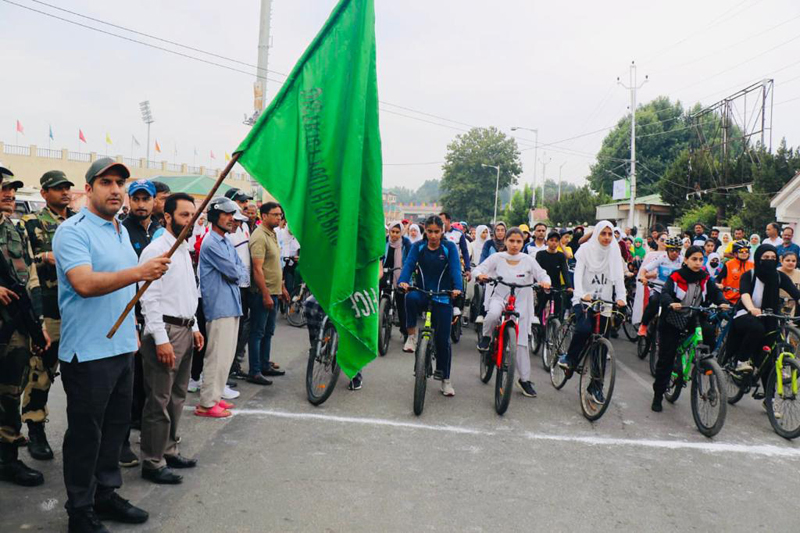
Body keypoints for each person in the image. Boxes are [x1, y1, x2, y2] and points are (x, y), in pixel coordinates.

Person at [53, 158, 170, 531]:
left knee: (116, 430)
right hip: (86, 353)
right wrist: (139, 272)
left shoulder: (119, 229)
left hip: (122, 347)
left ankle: (105, 495)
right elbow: (85, 284)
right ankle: (80, 509)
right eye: (106, 182)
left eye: (120, 182)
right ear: (88, 189)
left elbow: (125, 292)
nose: (116, 189)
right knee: (87, 435)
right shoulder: (73, 232)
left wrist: (132, 333)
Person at [138, 193, 203, 485]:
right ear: (167, 217)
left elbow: (187, 293)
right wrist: (161, 339)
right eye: (184, 215)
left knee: (178, 397)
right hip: (165, 332)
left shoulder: (182, 249)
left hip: (185, 330)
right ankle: (152, 461)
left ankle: (169, 449)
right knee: (159, 399)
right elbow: (149, 300)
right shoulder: (156, 251)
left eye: (193, 215)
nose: (190, 221)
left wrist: (196, 326)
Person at [21, 170, 76, 461]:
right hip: (49, 308)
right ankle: (35, 428)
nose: (65, 193)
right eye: (58, 189)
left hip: (77, 308)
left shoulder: (78, 221)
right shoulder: (31, 223)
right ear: (44, 193)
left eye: (68, 188)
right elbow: (19, 261)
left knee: (77, 372)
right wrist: (44, 257)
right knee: (41, 370)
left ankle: (78, 432)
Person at [0, 173, 49, 488]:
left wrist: (39, 322)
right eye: (3, 189)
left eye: (11, 190)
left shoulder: (14, 230)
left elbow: (31, 275)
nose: (9, 194)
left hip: (15, 327)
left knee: (9, 393)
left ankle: (7, 460)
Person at [474, 227, 551, 398]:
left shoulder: (528, 260)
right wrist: (480, 276)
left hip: (521, 304)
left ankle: (524, 380)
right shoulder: (497, 257)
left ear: (523, 243)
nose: (515, 245)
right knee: (493, 314)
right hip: (500, 298)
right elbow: (478, 269)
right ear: (506, 241)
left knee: (522, 342)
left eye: (518, 242)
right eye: (511, 241)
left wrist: (545, 282)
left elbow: (543, 275)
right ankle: (486, 338)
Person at [651, 246, 729, 412]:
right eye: (694, 259)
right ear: (686, 260)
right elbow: (665, 293)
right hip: (673, 318)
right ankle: (658, 395)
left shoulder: (705, 278)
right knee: (666, 358)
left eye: (701, 259)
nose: (698, 263)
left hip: (694, 317)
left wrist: (722, 302)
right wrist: (670, 303)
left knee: (708, 331)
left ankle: (705, 362)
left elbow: (715, 293)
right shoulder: (676, 276)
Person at [558, 221, 626, 405]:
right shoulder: (586, 250)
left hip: (604, 302)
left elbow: (619, 277)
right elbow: (578, 275)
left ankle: (596, 387)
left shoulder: (614, 251)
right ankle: (570, 358)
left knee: (602, 347)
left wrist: (621, 297)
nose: (606, 237)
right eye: (603, 233)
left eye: (609, 234)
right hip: (584, 299)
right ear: (596, 233)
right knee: (584, 329)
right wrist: (581, 294)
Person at [120, 178, 164, 468]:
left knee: (149, 383)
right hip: (130, 314)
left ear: (153, 201)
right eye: (135, 199)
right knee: (127, 384)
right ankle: (121, 443)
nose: (140, 204)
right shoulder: (121, 230)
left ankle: (146, 435)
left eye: (145, 199)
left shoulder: (159, 232)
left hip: (155, 313)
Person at [398, 216, 462, 396]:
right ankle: (411, 336)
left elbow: (456, 269)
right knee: (409, 297)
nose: (433, 235)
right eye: (430, 231)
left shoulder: (449, 247)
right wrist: (403, 281)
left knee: (443, 341)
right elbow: (409, 265)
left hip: (443, 297)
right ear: (425, 231)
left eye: (437, 231)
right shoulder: (418, 246)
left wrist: (457, 288)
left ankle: (445, 380)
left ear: (442, 231)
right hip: (422, 293)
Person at [196, 197, 248, 417]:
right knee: (216, 356)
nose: (231, 219)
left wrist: (237, 272)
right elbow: (235, 272)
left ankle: (215, 397)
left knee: (225, 355)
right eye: (226, 214)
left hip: (231, 303)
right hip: (219, 306)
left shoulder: (225, 241)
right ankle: (207, 403)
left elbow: (242, 272)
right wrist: (236, 272)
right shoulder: (211, 243)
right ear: (215, 216)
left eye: (232, 215)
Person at [728, 244, 800, 400]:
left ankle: (769, 400)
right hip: (745, 313)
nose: (769, 260)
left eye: (773, 258)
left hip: (769, 316)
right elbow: (744, 294)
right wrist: (752, 308)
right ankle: (742, 360)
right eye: (765, 257)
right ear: (758, 258)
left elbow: (796, 294)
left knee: (771, 355)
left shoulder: (779, 276)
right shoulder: (750, 275)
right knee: (757, 328)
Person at [248, 202, 289, 386]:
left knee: (268, 332)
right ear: (263, 216)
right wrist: (265, 294)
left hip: (274, 290)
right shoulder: (259, 236)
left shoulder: (272, 234)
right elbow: (257, 269)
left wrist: (282, 287)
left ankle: (265, 364)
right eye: (275, 214)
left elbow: (275, 264)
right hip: (262, 293)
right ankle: (254, 371)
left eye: (280, 215)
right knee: (257, 332)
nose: (279, 218)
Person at [638, 236, 683, 336]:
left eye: (677, 250)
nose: (674, 253)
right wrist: (643, 277)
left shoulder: (682, 261)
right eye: (672, 250)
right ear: (667, 250)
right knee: (653, 302)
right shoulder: (661, 258)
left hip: (673, 291)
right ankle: (644, 325)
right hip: (659, 288)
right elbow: (645, 269)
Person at [439, 212, 472, 318]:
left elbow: (465, 251)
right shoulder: (438, 233)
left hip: (455, 265)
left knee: (458, 286)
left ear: (448, 220)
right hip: (439, 265)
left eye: (441, 220)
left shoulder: (458, 234)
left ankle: (456, 306)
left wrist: (467, 268)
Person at [535, 231, 573, 320]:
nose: (554, 243)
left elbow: (565, 272)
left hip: (556, 286)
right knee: (539, 309)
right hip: (543, 285)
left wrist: (569, 286)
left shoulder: (561, 256)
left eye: (556, 241)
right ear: (547, 241)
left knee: (558, 311)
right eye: (551, 240)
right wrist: (538, 284)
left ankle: (556, 330)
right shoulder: (540, 254)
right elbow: (536, 271)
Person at [383, 221, 411, 338]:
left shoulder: (406, 243)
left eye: (397, 232)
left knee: (401, 303)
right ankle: (382, 320)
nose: (394, 235)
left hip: (401, 274)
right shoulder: (384, 241)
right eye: (392, 232)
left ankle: (405, 331)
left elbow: (410, 259)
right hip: (384, 272)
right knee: (382, 296)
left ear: (401, 233)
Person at [715, 240, 753, 305]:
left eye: (746, 251)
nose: (744, 253)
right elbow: (718, 279)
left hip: (747, 300)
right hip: (729, 299)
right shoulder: (728, 264)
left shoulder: (752, 265)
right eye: (741, 251)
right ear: (735, 254)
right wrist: (717, 284)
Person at [779, 252, 800, 316]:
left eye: (793, 261)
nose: (791, 263)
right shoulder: (776, 273)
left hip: (795, 305)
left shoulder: (799, 273)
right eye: (788, 260)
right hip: (778, 304)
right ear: (781, 261)